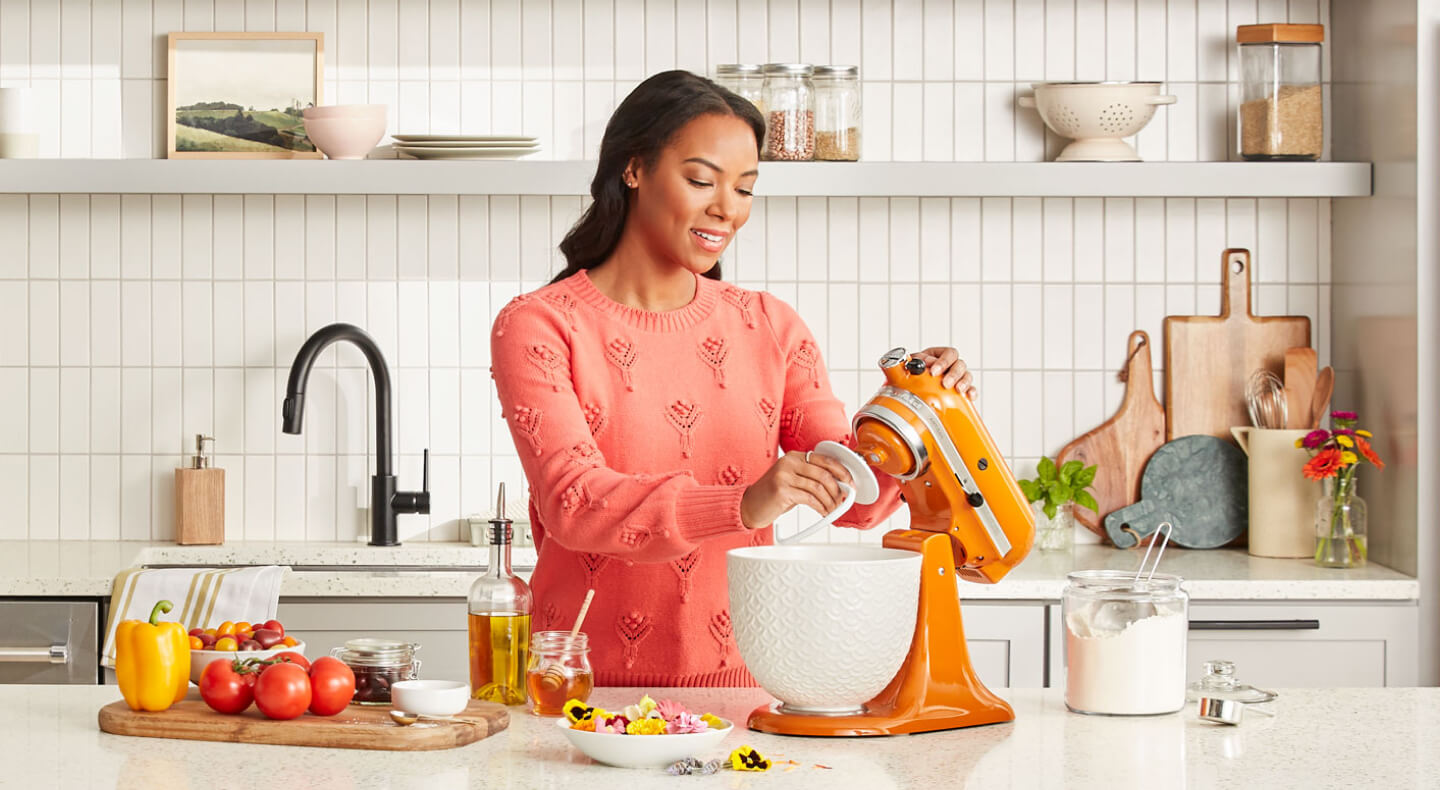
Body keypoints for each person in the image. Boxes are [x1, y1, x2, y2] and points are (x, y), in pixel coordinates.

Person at [490, 70, 975, 687]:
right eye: (701, 180)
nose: (727, 208)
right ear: (633, 169)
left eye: (745, 188)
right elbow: (574, 502)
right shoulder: (539, 324)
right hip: (582, 693)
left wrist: (917, 412)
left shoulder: (770, 325)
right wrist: (743, 503)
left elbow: (856, 500)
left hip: (745, 692)